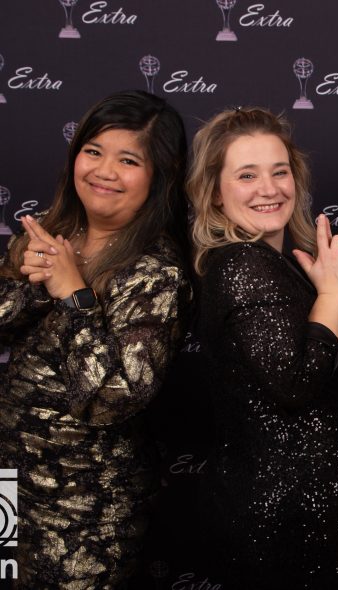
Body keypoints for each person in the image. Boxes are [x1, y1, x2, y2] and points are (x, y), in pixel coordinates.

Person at [0, 90, 192, 587]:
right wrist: (30, 284)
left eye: (128, 160)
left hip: (85, 513)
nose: (104, 171)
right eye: (93, 151)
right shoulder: (50, 234)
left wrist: (74, 296)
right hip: (9, 487)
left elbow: (111, 399)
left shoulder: (155, 273)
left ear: (160, 175)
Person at [188, 107, 338, 589]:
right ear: (216, 192)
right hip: (288, 520)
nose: (269, 188)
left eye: (279, 171)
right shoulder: (244, 266)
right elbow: (298, 384)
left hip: (317, 509)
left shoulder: (278, 263)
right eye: (247, 175)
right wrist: (331, 292)